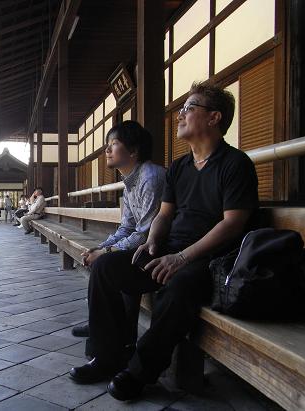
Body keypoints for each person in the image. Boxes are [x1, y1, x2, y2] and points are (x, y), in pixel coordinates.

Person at [70, 82, 259, 403]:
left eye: (189, 108)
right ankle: (107, 356)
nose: (180, 114)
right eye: (182, 108)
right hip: (169, 249)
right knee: (106, 267)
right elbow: (164, 214)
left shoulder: (235, 164)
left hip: (211, 259)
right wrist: (153, 242)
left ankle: (140, 372)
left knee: (179, 285)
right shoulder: (180, 167)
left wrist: (182, 258)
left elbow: (232, 224)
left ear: (214, 117)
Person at [72, 121, 166, 353]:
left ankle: (107, 338)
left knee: (109, 265)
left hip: (161, 250)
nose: (107, 150)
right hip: (144, 249)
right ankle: (112, 332)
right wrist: (100, 248)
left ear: (133, 151)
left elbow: (145, 234)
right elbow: (126, 228)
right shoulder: (130, 181)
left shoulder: (150, 177)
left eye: (113, 144)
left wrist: (106, 252)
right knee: (106, 259)